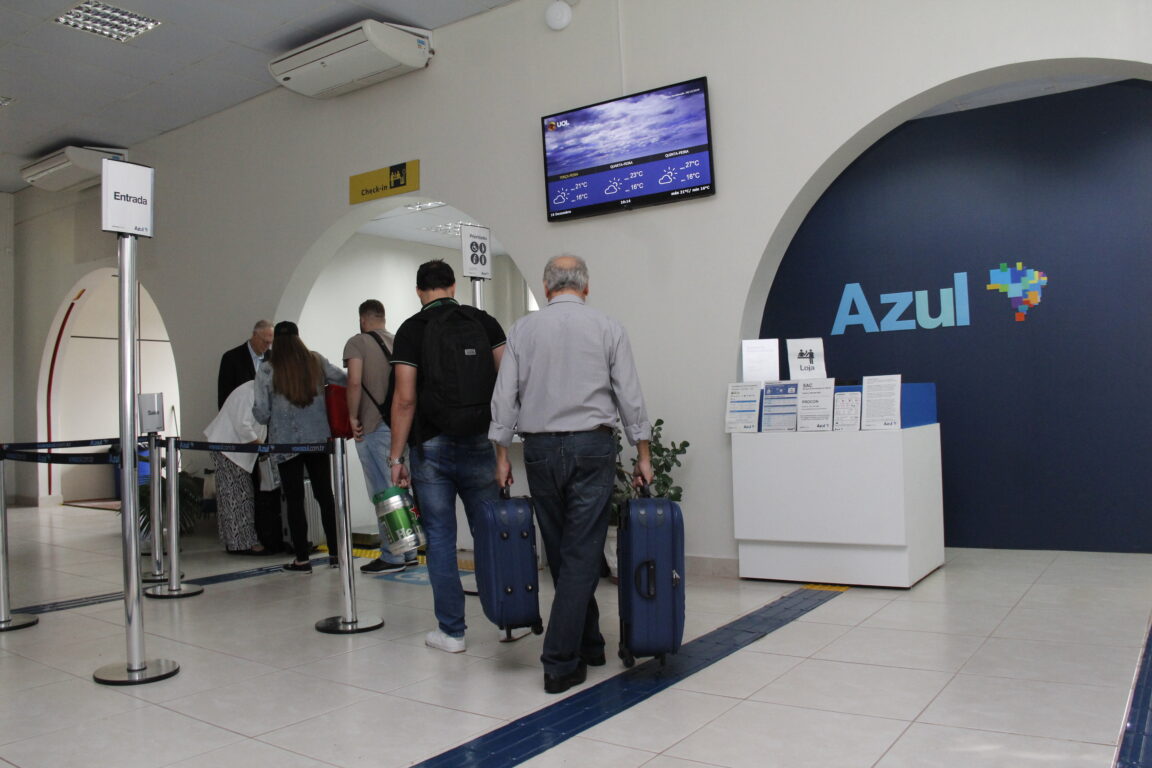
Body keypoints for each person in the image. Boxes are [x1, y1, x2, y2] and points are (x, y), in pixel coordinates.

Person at [490, 254, 653, 694]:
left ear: (546, 287)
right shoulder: (608, 327)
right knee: (580, 553)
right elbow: (630, 396)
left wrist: (502, 454)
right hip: (592, 446)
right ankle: (561, 660)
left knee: (563, 550)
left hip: (540, 450)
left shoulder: (523, 329)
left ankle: (591, 642)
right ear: (586, 286)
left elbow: (506, 396)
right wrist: (643, 453)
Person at [389, 259, 506, 653]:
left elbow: (405, 399)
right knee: (489, 532)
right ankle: (508, 618)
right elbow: (506, 385)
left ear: (420, 292)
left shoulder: (410, 330)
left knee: (440, 538)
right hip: (478, 442)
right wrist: (501, 448)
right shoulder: (484, 322)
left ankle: (452, 632)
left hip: (431, 446)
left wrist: (396, 457)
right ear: (453, 286)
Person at [253, 321, 347, 573]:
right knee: (325, 496)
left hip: (285, 443)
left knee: (294, 500)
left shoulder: (267, 369)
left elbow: (261, 413)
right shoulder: (316, 360)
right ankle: (337, 554)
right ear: (298, 338)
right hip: (318, 440)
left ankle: (302, 559)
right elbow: (344, 379)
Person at [343, 299, 417, 574]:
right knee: (400, 488)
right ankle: (408, 550)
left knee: (383, 492)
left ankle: (392, 556)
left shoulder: (357, 342)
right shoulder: (399, 341)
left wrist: (352, 417)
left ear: (363, 319)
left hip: (373, 427)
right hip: (401, 426)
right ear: (383, 317)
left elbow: (353, 381)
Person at [217, 319, 282, 552]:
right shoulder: (232, 360)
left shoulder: (272, 361)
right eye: (264, 340)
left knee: (258, 492)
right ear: (254, 335)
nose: (267, 345)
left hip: (257, 440)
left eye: (270, 341)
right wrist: (255, 442)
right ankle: (240, 542)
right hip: (236, 441)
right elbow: (229, 406)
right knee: (237, 495)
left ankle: (259, 537)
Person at [203, 381, 269, 554]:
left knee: (231, 496)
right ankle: (243, 544)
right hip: (228, 449)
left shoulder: (257, 390)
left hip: (231, 449)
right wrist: (260, 445)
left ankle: (234, 541)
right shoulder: (250, 392)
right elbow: (243, 424)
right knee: (238, 497)